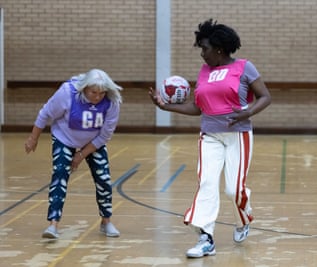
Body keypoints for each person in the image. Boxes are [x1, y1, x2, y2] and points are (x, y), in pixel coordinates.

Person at [149, 18, 271, 257]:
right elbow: (198, 107)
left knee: (233, 189)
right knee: (206, 183)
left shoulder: (245, 67)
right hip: (210, 136)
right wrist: (166, 108)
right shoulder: (204, 71)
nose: (202, 54)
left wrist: (247, 112)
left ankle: (243, 219)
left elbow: (265, 97)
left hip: (239, 135)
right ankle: (205, 237)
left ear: (219, 49)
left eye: (204, 48)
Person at [24, 69, 123, 239]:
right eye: (93, 92)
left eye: (102, 93)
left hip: (93, 141)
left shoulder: (112, 102)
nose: (98, 96)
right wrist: (34, 138)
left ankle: (106, 221)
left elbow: (106, 134)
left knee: (104, 178)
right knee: (60, 176)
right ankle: (53, 225)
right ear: (84, 88)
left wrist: (80, 155)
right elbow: (45, 113)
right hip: (65, 137)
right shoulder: (67, 93)